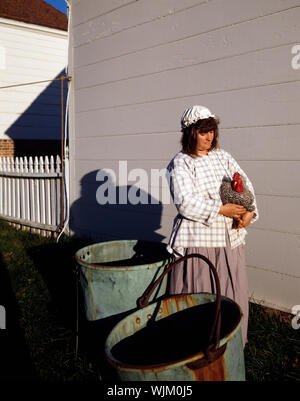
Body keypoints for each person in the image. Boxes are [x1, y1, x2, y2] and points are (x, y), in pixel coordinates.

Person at [166, 105, 259, 347]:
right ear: (190, 133)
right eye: (203, 132)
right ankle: (195, 350)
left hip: (229, 239)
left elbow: (245, 185)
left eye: (212, 131)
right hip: (199, 242)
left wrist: (250, 212)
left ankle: (231, 348)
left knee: (231, 294)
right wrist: (221, 209)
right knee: (201, 298)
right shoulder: (181, 163)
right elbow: (184, 202)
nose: (210, 137)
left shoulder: (223, 157)